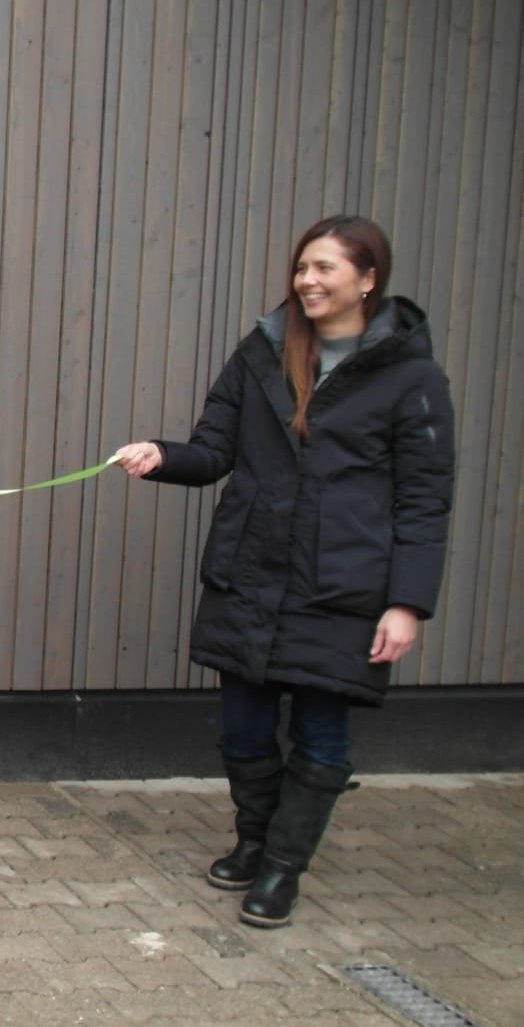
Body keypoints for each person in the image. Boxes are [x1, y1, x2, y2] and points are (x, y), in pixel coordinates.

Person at [114, 215, 453, 929]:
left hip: (345, 585)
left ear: (368, 279)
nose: (307, 280)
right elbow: (214, 450)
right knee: (243, 729)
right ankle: (254, 838)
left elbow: (425, 499)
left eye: (325, 267)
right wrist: (161, 455)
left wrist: (407, 603)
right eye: (302, 267)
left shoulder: (412, 377)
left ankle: (282, 868)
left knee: (321, 734)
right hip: (254, 570)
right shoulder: (262, 352)